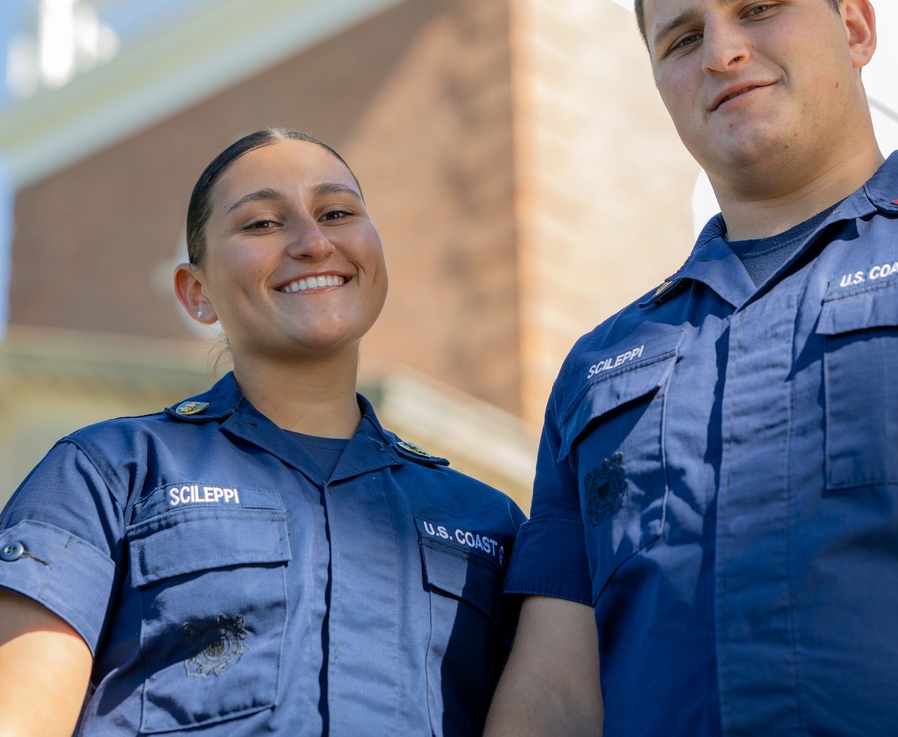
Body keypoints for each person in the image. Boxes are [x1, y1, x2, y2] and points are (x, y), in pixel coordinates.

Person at [486, 0, 898, 737]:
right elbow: (553, 693)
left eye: (758, 10)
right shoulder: (598, 368)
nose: (722, 52)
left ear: (857, 29)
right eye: (682, 40)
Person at [0, 127, 523, 736]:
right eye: (261, 224)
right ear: (197, 294)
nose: (312, 241)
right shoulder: (107, 473)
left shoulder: (493, 522)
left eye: (337, 212)